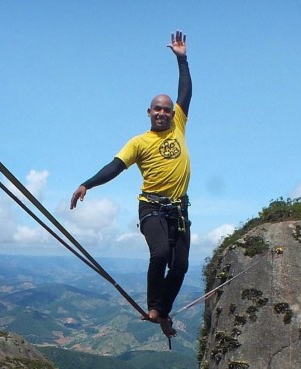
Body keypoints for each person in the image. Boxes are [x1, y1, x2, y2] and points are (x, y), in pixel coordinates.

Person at [70, 30, 192, 337]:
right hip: (151, 207)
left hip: (178, 210)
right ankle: (154, 307)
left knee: (180, 268)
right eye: (158, 109)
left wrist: (182, 59)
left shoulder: (179, 125)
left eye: (167, 109)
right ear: (149, 112)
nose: (164, 112)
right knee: (161, 254)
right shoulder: (138, 142)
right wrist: (88, 184)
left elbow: (186, 92)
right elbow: (115, 166)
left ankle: (163, 312)